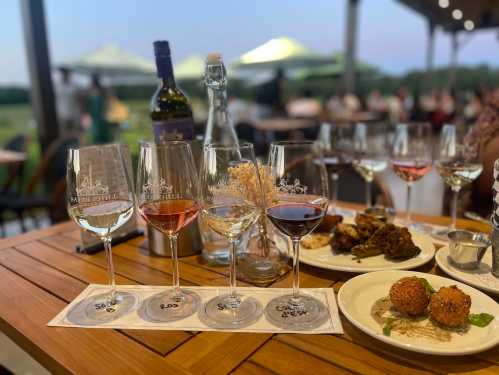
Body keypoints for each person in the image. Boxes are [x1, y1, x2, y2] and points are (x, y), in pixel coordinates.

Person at [85, 74, 112, 144]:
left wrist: (105, 111)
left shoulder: (102, 91)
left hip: (101, 116)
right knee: (95, 134)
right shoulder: (89, 91)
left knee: (102, 134)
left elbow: (106, 103)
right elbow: (87, 105)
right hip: (94, 116)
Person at [55, 68, 80, 137]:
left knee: (74, 135)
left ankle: (74, 148)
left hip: (73, 115)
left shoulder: (74, 86)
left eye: (66, 74)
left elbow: (78, 100)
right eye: (63, 74)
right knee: (64, 136)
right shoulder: (57, 86)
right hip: (62, 115)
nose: (64, 76)